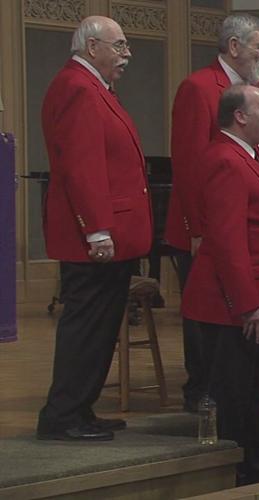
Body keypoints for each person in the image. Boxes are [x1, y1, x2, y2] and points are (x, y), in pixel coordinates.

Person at [37, 15, 151, 442]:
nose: (127, 54)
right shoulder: (77, 89)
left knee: (102, 329)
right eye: (119, 46)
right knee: (86, 329)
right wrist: (97, 229)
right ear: (92, 47)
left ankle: (78, 409)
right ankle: (62, 415)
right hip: (93, 237)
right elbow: (81, 167)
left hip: (110, 235)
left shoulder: (96, 89)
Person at [166, 13, 259, 412]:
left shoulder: (250, 90)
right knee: (206, 317)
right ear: (234, 47)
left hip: (237, 219)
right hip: (206, 226)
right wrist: (197, 227)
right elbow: (191, 162)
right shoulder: (199, 87)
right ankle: (202, 394)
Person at [180, 84, 259, 485]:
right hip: (232, 308)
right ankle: (235, 477)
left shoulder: (247, 156)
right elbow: (226, 240)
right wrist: (247, 304)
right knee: (236, 401)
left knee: (254, 398)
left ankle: (251, 469)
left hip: (255, 299)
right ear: (239, 116)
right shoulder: (226, 159)